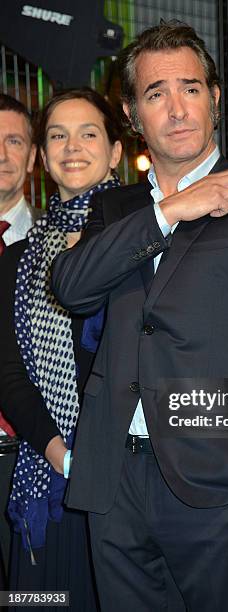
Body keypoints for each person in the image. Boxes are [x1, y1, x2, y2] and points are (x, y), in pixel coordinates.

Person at [51, 22, 228, 612]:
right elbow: (71, 287)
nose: (177, 109)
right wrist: (169, 210)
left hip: (222, 489)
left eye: (192, 89)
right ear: (132, 112)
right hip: (114, 488)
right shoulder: (116, 208)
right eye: (156, 94)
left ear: (216, 98)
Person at [0, 87, 122, 611]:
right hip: (47, 476)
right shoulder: (18, 260)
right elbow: (8, 373)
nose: (72, 147)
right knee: (43, 602)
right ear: (44, 158)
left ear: (116, 151)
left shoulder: (150, 236)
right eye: (57, 136)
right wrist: (61, 454)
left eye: (88, 133)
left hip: (128, 477)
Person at [0, 93, 39, 584]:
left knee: (35, 598)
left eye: (14, 141)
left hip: (29, 462)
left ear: (33, 156)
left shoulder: (65, 246)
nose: (2, 154)